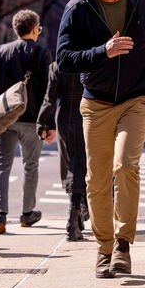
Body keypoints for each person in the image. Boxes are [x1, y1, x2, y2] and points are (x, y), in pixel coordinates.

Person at [57, 0, 145, 279]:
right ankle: (103, 248)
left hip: (138, 98)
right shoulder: (77, 9)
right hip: (97, 102)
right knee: (97, 178)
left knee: (125, 166)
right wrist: (101, 52)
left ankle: (123, 243)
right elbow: (63, 60)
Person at [0, 9, 51, 235]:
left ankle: (0, 215)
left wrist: (2, 90)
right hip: (33, 120)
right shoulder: (42, 54)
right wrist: (47, 122)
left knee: (2, 165)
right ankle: (27, 213)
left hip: (6, 118)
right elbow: (48, 90)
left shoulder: (0, 51)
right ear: (33, 29)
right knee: (31, 166)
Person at [36, 62, 89, 241]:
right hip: (90, 113)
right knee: (84, 164)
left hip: (65, 115)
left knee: (72, 164)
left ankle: (77, 215)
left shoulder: (58, 64)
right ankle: (76, 216)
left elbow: (49, 98)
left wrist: (42, 121)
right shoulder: (94, 57)